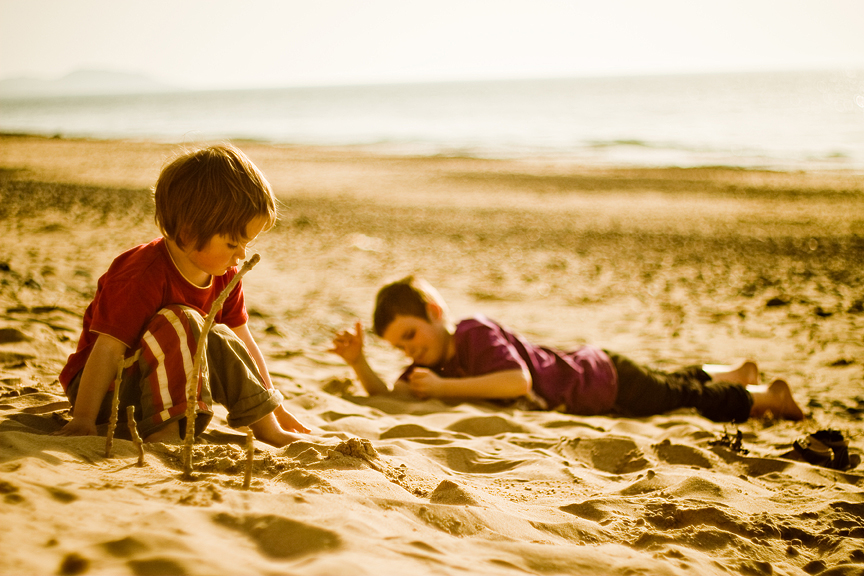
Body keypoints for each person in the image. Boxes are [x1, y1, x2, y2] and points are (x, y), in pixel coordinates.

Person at [54, 144, 310, 446]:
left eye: (247, 244)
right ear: (188, 233)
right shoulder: (141, 273)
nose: (241, 255)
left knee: (221, 334)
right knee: (182, 319)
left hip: (178, 387)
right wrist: (83, 417)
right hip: (109, 391)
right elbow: (107, 350)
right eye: (232, 244)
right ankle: (165, 431)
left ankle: (266, 428)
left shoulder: (223, 275)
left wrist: (274, 407)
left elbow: (244, 343)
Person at [330, 275, 804, 423]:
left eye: (411, 335)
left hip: (600, 380)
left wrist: (446, 384)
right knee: (669, 380)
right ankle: (733, 371)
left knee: (682, 397)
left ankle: (767, 397)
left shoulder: (472, 331)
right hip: (598, 377)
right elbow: (391, 395)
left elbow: (518, 381)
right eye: (398, 347)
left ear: (435, 311)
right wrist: (360, 363)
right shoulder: (436, 363)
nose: (410, 351)